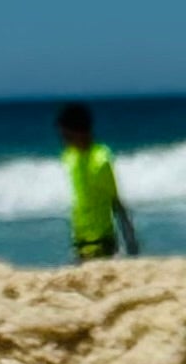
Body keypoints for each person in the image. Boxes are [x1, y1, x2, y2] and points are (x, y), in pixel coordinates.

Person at [56, 103, 138, 262]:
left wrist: (131, 242)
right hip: (79, 242)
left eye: (66, 135)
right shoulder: (69, 156)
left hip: (102, 243)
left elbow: (117, 203)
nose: (63, 139)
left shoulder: (101, 160)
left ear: (78, 132)